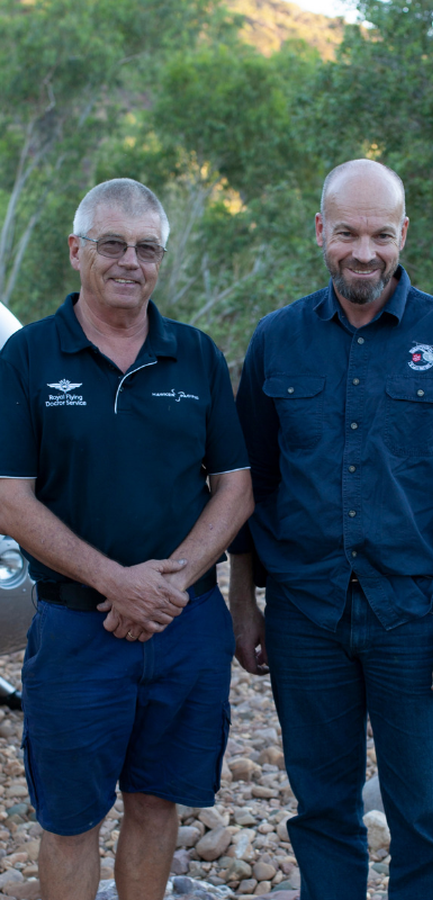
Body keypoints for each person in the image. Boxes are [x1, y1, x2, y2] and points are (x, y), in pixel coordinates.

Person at [0, 178, 254, 900]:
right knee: (71, 819)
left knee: (154, 803)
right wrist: (118, 582)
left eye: (146, 248)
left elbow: (235, 488)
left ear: (161, 260)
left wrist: (167, 587)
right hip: (78, 629)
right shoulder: (27, 358)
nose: (129, 261)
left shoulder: (197, 356)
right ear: (77, 250)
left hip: (182, 627)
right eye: (112, 243)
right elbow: (7, 499)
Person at [228, 158, 433, 900]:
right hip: (305, 614)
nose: (364, 252)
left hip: (417, 619)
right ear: (321, 231)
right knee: (323, 806)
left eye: (381, 234)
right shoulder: (276, 340)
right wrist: (243, 600)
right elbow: (250, 485)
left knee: (427, 812)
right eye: (348, 233)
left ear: (404, 234)